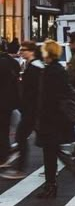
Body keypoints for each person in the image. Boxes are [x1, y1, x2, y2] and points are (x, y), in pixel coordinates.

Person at [35, 40, 75, 198]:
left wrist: (40, 118)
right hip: (58, 119)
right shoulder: (58, 69)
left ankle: (52, 185)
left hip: (51, 119)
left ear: (47, 53)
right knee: (54, 151)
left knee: (51, 153)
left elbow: (49, 97)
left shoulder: (51, 71)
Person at [0, 41, 42, 180]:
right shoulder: (29, 65)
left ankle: (20, 168)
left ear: (31, 51)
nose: (20, 52)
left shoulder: (35, 67)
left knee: (22, 136)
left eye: (24, 49)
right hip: (31, 108)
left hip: (32, 109)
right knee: (42, 139)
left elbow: (35, 90)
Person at [0, 42, 21, 168]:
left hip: (2, 100)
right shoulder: (13, 63)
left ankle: (3, 155)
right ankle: (5, 152)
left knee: (2, 129)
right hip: (10, 101)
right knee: (5, 128)